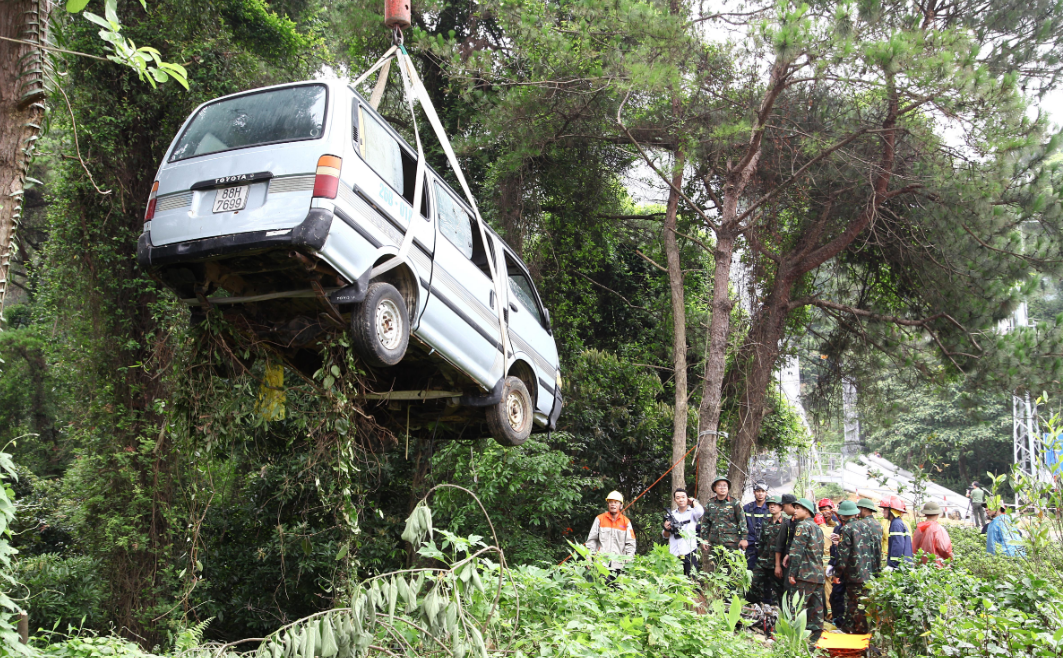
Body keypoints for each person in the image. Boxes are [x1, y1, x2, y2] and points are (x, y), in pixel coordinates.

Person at [834, 500, 879, 633]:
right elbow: (874, 549)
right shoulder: (866, 526)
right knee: (863, 602)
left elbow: (843, 555)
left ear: (842, 515)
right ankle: (858, 629)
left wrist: (837, 574)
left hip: (854, 573)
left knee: (853, 602)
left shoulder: (846, 529)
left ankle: (856, 630)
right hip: (868, 572)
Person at [786, 498, 827, 646]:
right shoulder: (818, 528)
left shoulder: (802, 526)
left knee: (796, 608)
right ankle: (816, 641)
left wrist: (792, 573)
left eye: (798, 508)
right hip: (818, 575)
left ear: (807, 511)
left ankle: (794, 641)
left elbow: (796, 552)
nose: (795, 511)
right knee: (817, 610)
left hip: (804, 575)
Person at [586, 491, 636, 577]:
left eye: (616, 502)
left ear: (621, 505)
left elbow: (631, 543)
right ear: (607, 504)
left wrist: (629, 558)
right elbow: (592, 540)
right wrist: (588, 557)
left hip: (619, 565)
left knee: (618, 585)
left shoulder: (626, 522)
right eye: (610, 502)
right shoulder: (599, 519)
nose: (613, 504)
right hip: (601, 563)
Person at [749, 494, 786, 605]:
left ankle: (779, 610)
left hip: (777, 563)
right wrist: (760, 556)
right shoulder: (766, 522)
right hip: (763, 561)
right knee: (752, 583)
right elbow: (762, 541)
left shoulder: (785, 523)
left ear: (781, 507)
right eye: (770, 505)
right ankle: (754, 606)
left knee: (778, 590)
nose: (772, 507)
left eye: (775, 505)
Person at [703, 477, 747, 568]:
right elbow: (705, 523)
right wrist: (705, 539)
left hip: (731, 543)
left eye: (725, 486)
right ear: (714, 488)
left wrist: (744, 538)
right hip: (715, 543)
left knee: (731, 568)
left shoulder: (735, 503)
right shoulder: (710, 503)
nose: (722, 488)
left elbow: (742, 522)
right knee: (716, 569)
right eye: (719, 485)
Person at [663, 488, 704, 576]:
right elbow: (665, 535)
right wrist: (666, 529)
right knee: (675, 580)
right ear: (674, 500)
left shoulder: (693, 512)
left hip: (690, 550)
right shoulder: (670, 514)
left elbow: (700, 512)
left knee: (692, 579)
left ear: (687, 498)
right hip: (674, 553)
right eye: (678, 498)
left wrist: (693, 501)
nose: (681, 499)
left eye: (683, 497)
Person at [912, 500, 953, 566]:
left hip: (921, 566)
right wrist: (951, 558)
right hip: (936, 566)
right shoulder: (938, 529)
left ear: (925, 514)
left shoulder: (918, 529)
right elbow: (944, 549)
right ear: (937, 514)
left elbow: (914, 548)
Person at [879, 496, 913, 569]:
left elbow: (898, 546)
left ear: (891, 511)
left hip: (899, 567)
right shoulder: (898, 523)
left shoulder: (896, 524)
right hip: (904, 566)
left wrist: (893, 565)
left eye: (885, 509)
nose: (883, 511)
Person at [744, 481, 771, 571]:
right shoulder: (747, 508)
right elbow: (742, 526)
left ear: (766, 493)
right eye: (758, 491)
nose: (760, 494)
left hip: (766, 546)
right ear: (754, 492)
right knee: (749, 572)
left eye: (763, 491)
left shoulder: (771, 508)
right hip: (750, 546)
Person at [774, 493, 800, 584]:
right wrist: (778, 565)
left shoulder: (803, 523)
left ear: (791, 505)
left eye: (784, 506)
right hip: (788, 563)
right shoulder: (788, 522)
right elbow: (779, 545)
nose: (783, 509)